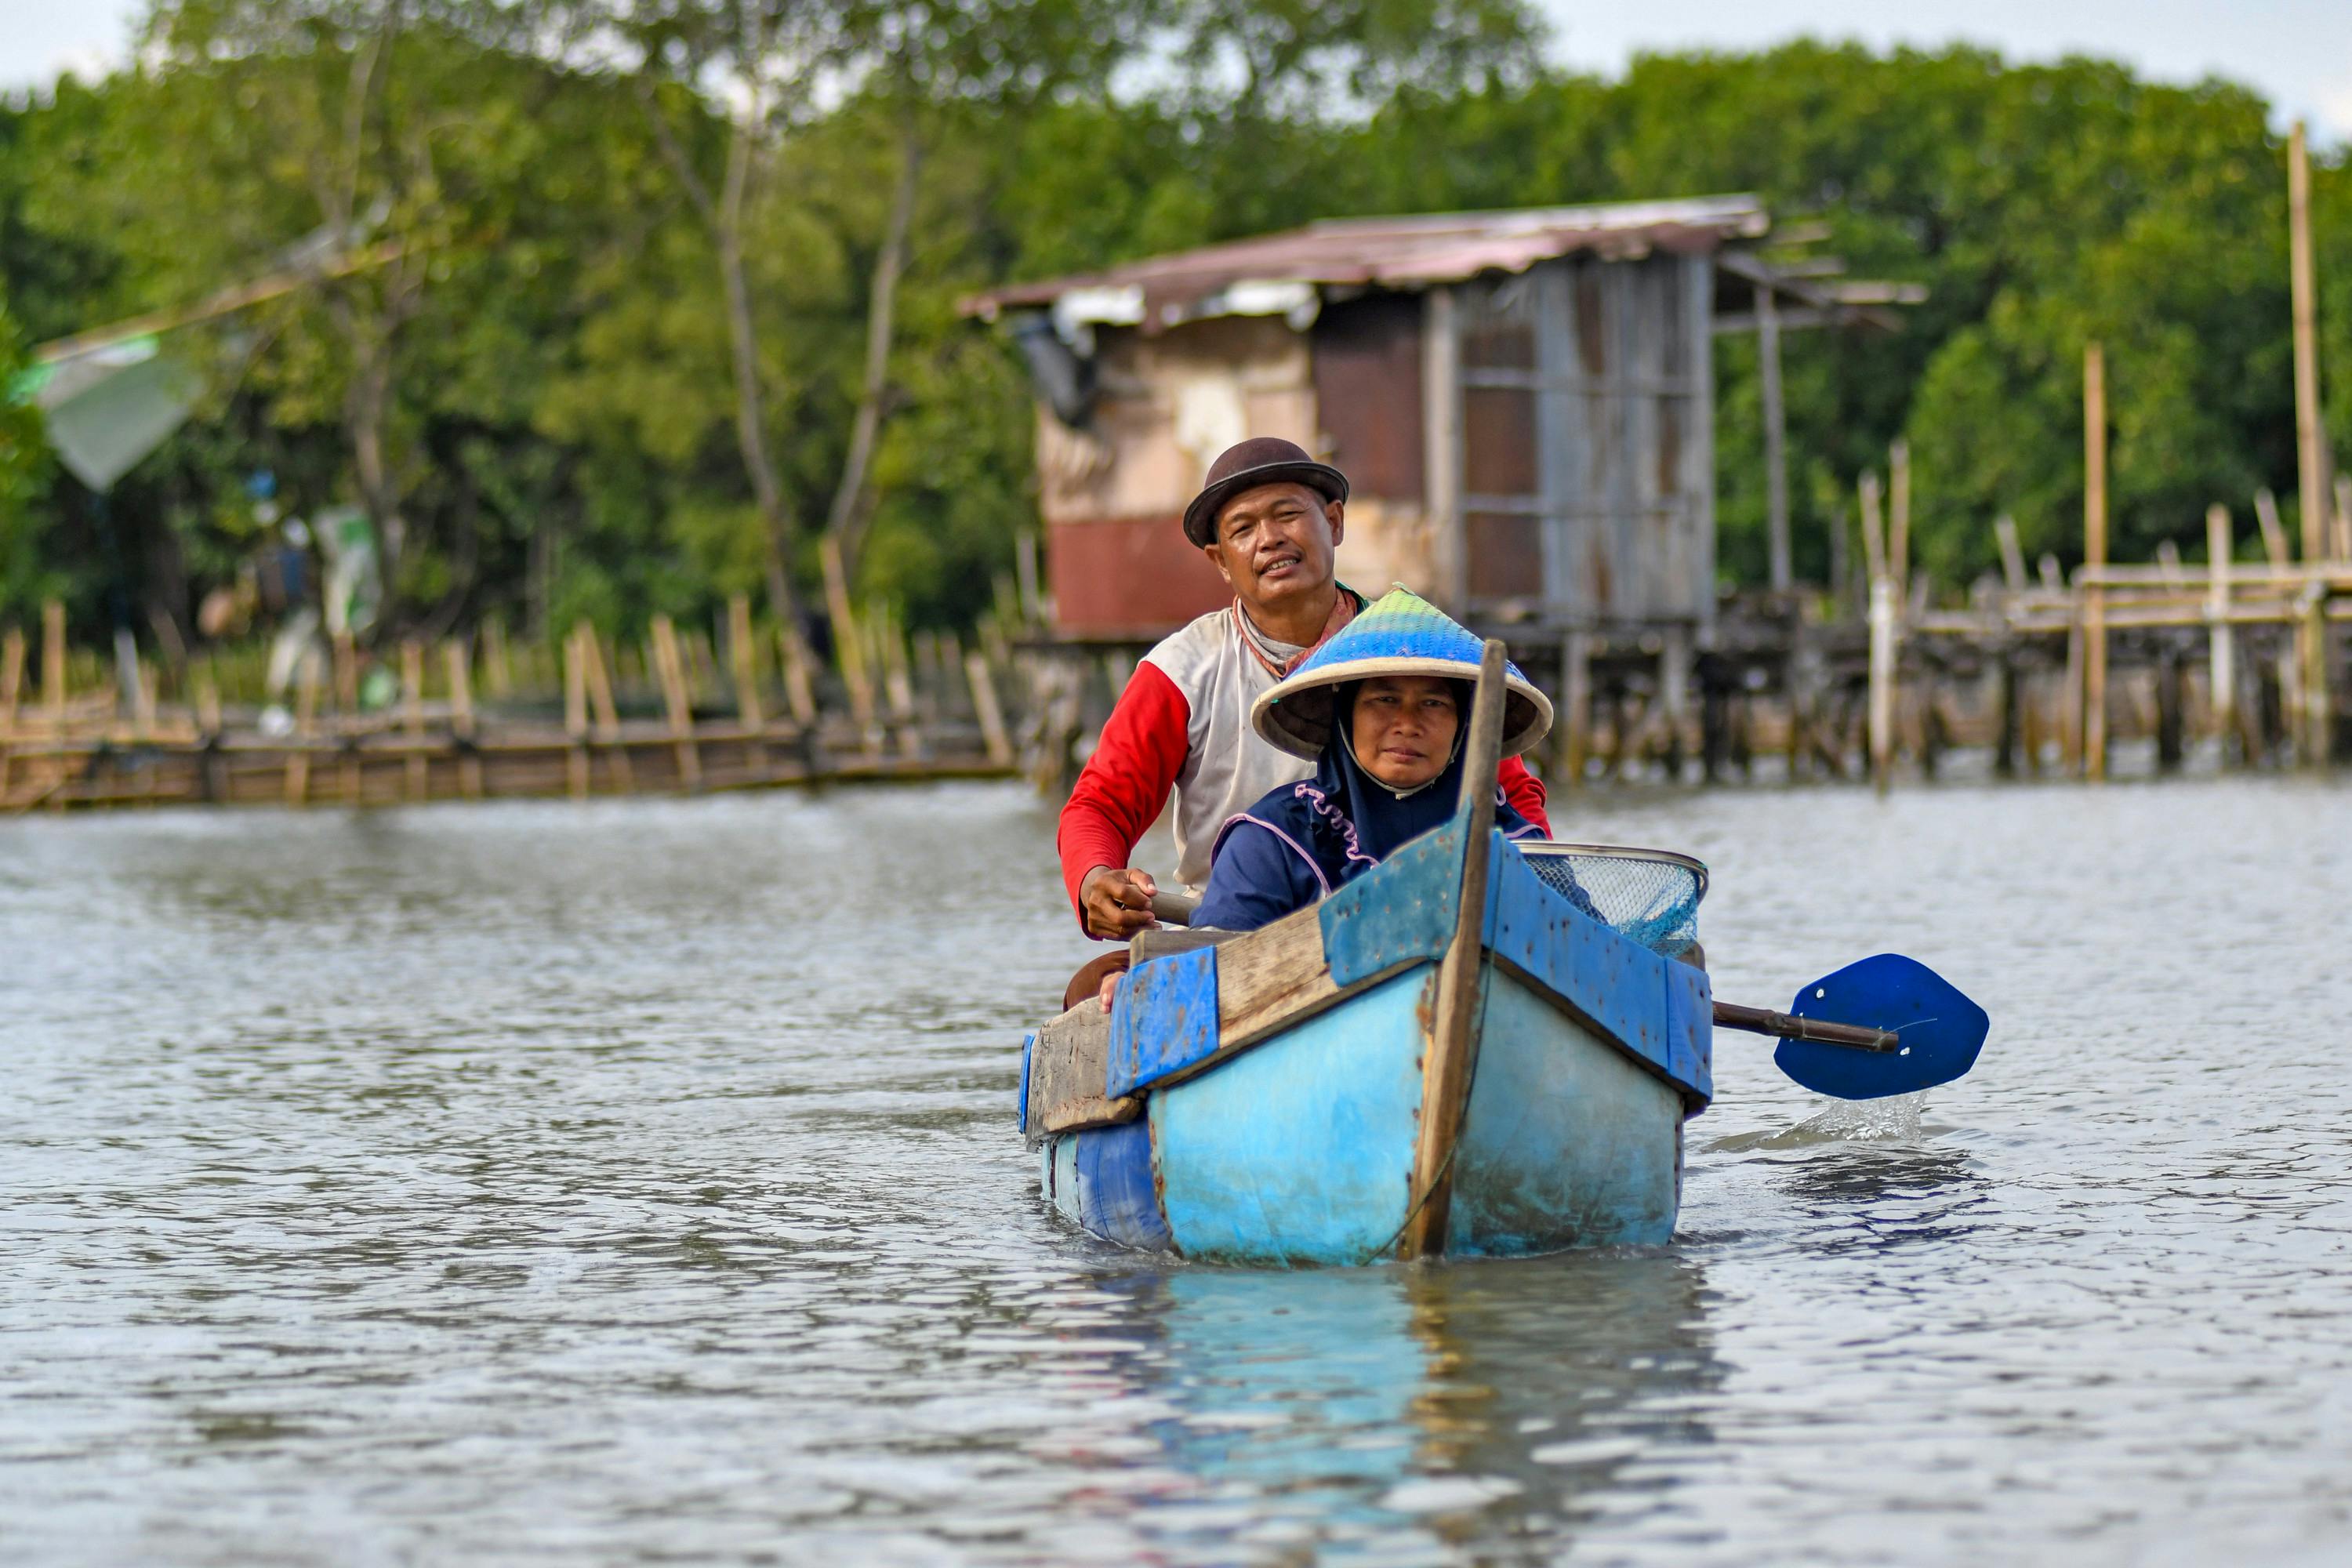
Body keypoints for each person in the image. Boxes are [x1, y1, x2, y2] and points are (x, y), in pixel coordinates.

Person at [1058, 437, 1550, 944]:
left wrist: (1540, 895)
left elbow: (1510, 794)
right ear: (1220, 560)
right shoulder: (1182, 672)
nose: (1269, 539)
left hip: (1425, 924)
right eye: (1243, 529)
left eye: (1287, 514)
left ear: (1334, 523)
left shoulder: (1411, 649)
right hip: (1233, 925)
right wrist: (1096, 879)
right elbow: (1101, 803)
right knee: (1097, 992)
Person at [1192, 588, 1552, 932]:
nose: (1408, 725)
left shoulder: (1512, 841)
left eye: (1433, 704)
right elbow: (1216, 971)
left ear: (1463, 725)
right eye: (1384, 700)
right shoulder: (1273, 840)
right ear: (1345, 717)